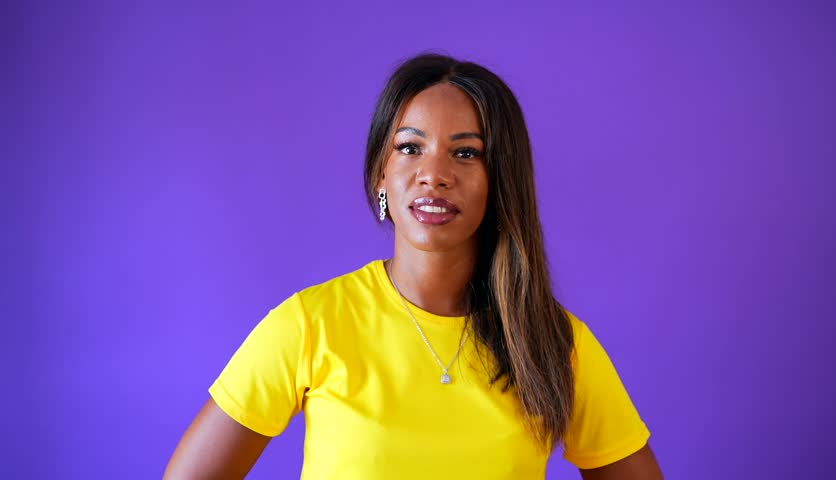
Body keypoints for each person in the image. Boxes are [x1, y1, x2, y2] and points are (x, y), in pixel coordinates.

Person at [165, 53, 663, 479]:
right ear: (382, 172)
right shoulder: (310, 325)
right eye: (410, 147)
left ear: (500, 179)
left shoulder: (553, 341)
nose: (434, 175)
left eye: (466, 153)